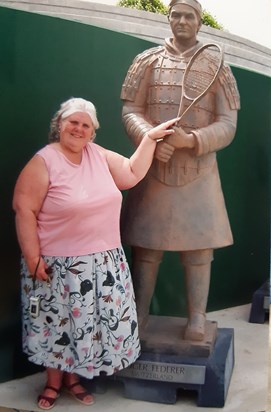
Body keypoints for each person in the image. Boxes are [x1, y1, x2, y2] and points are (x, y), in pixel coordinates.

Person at [12, 97, 178, 410]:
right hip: (56, 265)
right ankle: (52, 382)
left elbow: (130, 172)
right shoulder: (44, 161)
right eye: (73, 122)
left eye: (85, 125)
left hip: (104, 263)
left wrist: (149, 139)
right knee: (56, 325)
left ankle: (74, 378)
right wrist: (33, 259)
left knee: (85, 327)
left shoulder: (98, 155)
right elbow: (24, 209)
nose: (78, 128)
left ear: (92, 133)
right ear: (59, 125)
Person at [120, 0, 240, 341]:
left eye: (189, 16)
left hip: (199, 172)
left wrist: (192, 140)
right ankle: (139, 313)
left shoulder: (217, 66)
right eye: (175, 15)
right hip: (154, 167)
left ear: (200, 22)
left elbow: (229, 125)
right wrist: (151, 138)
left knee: (200, 249)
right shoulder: (147, 61)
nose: (181, 21)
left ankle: (197, 318)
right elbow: (131, 110)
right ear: (168, 19)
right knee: (146, 246)